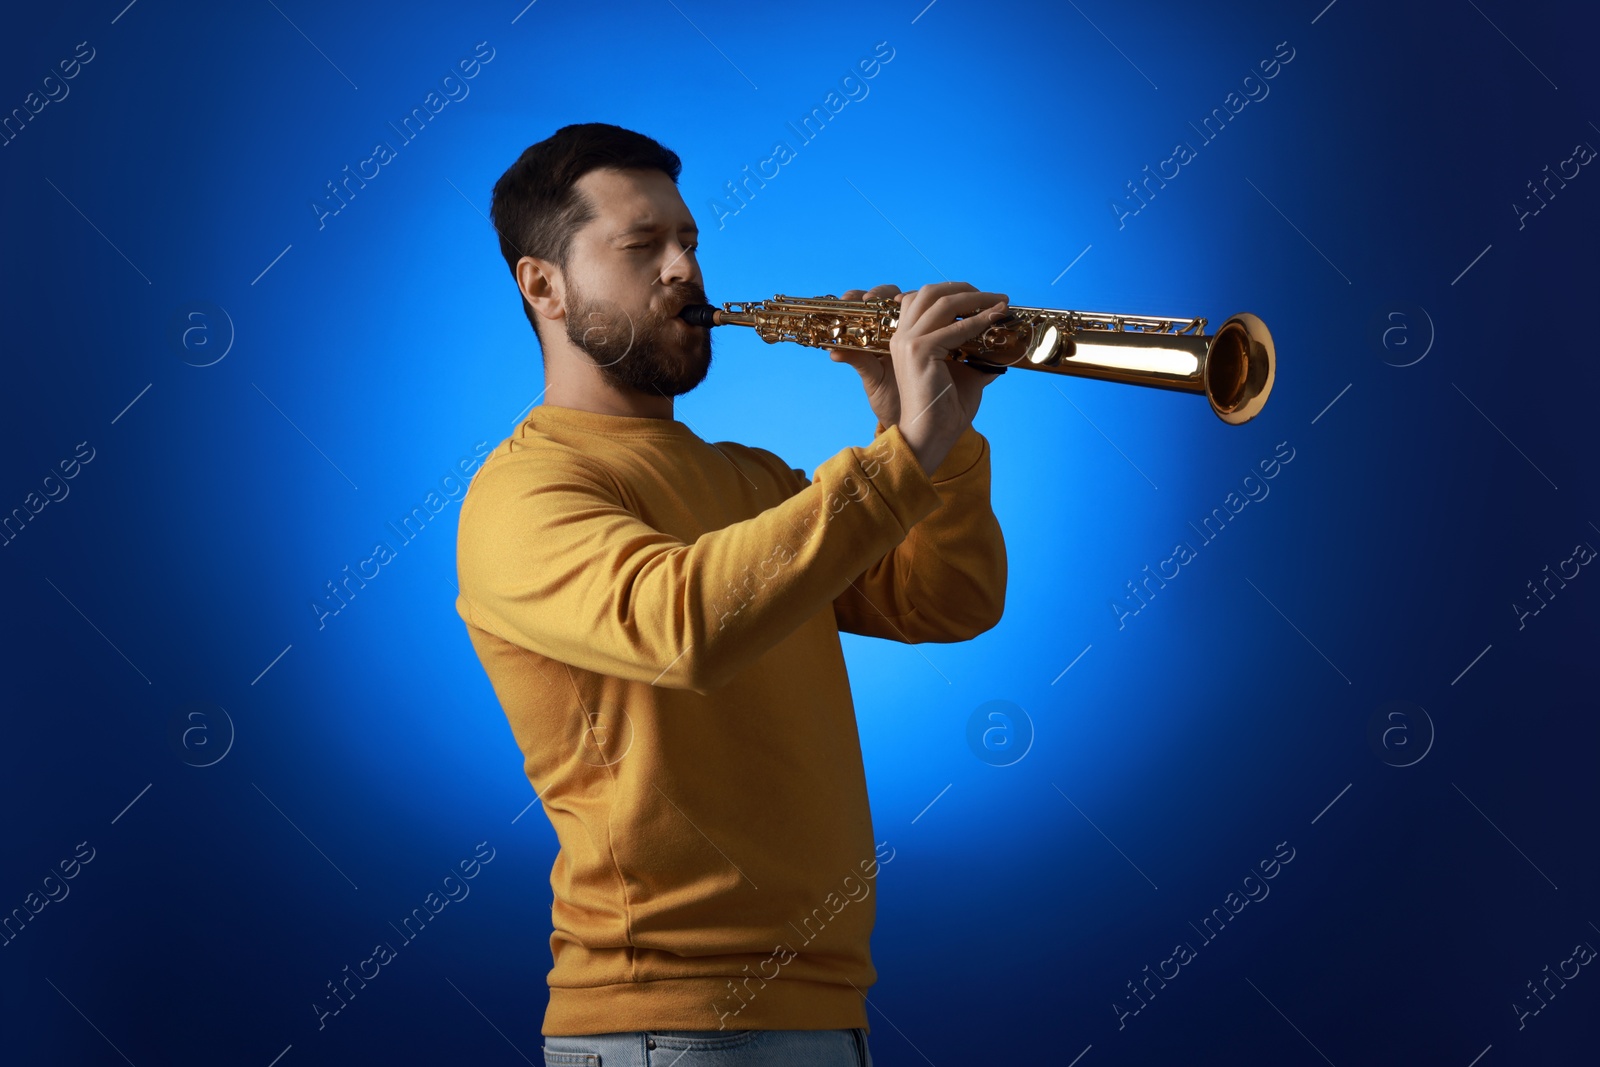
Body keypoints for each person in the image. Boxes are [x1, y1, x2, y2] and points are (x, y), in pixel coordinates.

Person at [454, 122, 1008, 1067]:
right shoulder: (523, 492)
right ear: (541, 285)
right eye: (641, 247)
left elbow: (946, 601)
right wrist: (899, 454)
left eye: (690, 241)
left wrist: (941, 440)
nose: (683, 269)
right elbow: (687, 625)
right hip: (660, 1024)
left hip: (826, 1005)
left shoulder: (755, 480)